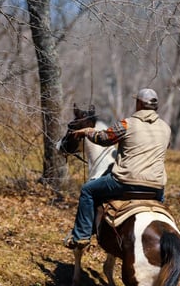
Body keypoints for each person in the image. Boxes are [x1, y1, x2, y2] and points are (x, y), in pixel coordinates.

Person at [64, 88, 171, 249]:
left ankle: (81, 236)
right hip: (156, 188)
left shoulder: (127, 124)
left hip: (125, 182)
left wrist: (87, 131)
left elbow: (104, 138)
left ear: (139, 104)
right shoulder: (166, 128)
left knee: (88, 190)